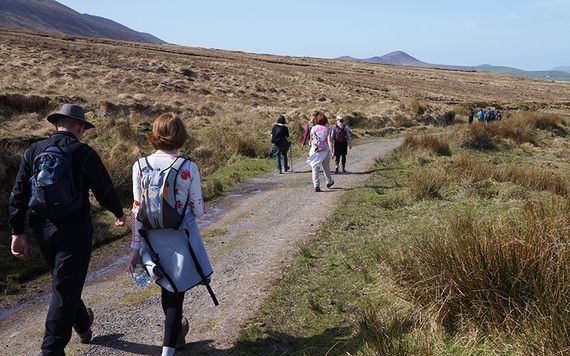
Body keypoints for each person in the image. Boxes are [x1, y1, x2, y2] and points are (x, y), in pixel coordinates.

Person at [9, 103, 125, 355]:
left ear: (55, 125)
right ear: (81, 128)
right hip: (75, 229)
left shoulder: (33, 151)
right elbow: (103, 188)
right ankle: (51, 349)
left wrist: (17, 231)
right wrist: (117, 212)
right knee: (64, 287)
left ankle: (83, 322)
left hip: (42, 229)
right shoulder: (83, 152)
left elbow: (18, 193)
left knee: (64, 282)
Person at [129, 113, 212, 356]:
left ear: (155, 135)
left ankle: (176, 338)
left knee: (167, 289)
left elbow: (136, 210)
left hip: (151, 241)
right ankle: (169, 350)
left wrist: (135, 249)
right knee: (176, 296)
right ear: (181, 136)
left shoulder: (140, 166)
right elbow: (198, 209)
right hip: (180, 239)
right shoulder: (188, 166)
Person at [306, 111, 334, 192]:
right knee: (326, 167)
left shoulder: (313, 128)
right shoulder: (326, 129)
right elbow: (329, 141)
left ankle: (316, 186)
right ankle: (329, 181)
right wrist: (332, 151)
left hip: (315, 150)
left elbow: (311, 139)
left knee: (315, 168)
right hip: (324, 151)